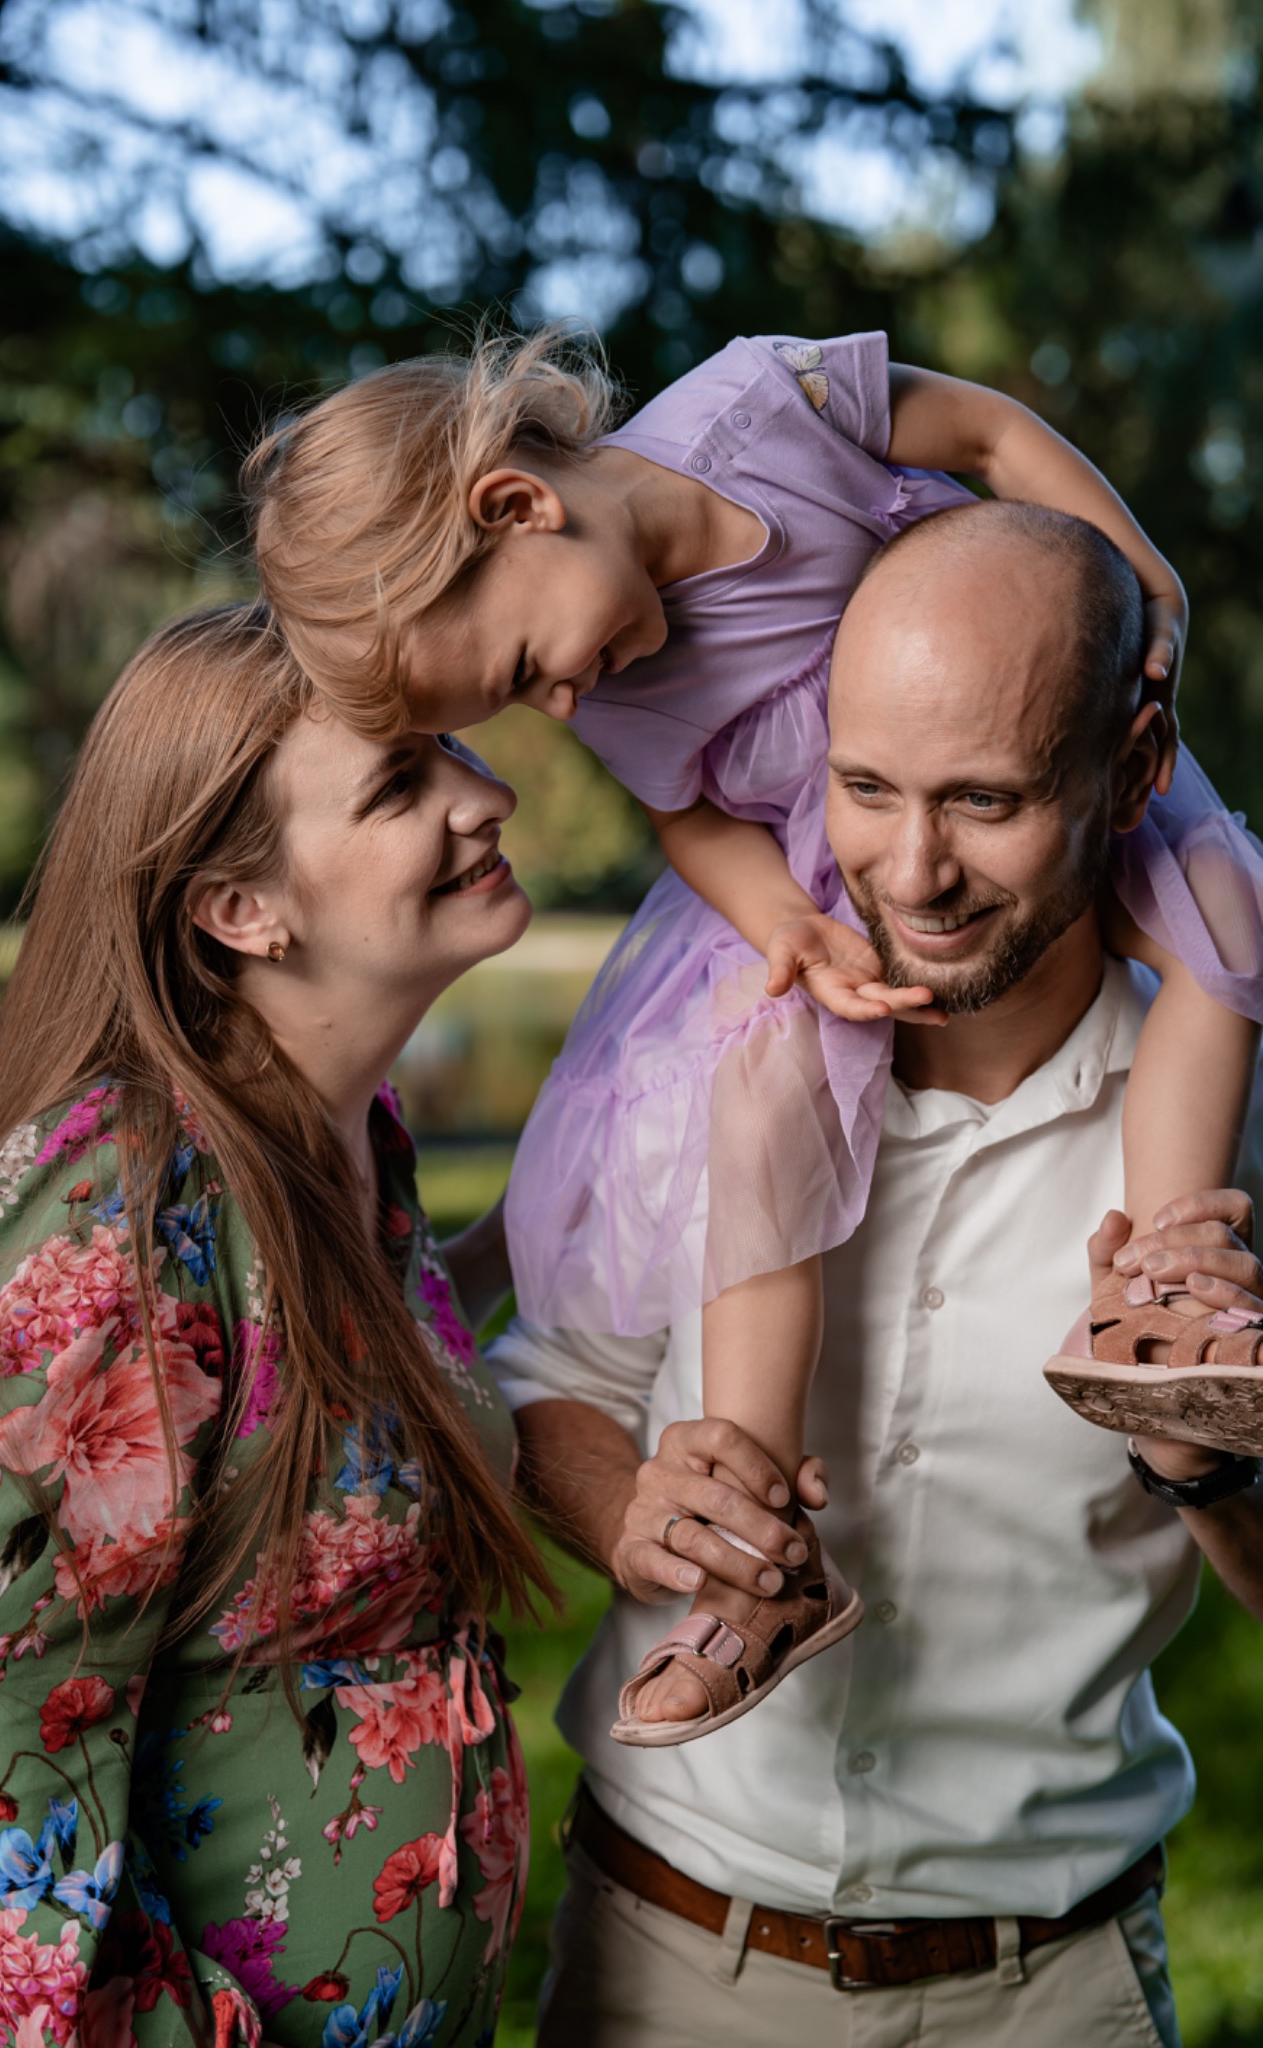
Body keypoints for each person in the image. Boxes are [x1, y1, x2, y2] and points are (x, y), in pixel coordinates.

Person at [243, 326, 1263, 1744]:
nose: (557, 704)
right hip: (797, 882)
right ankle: (760, 1530)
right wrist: (785, 924)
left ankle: (1170, 1284)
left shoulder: (757, 409)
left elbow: (976, 437)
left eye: (529, 662)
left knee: (1228, 923)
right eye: (522, 697)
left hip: (1036, 680)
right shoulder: (621, 688)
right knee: (761, 1089)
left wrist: (1136, 571)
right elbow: (691, 816)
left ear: (517, 506)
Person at [485, 500, 1263, 2048]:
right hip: (660, 1963)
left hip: (1053, 1993)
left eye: (985, 800)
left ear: (1136, 766)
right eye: (864, 788)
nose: (913, 868)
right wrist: (630, 1515)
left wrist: (1207, 1474)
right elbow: (547, 1388)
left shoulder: (1234, 1109)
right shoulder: (712, 1033)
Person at [0, 603, 545, 2048]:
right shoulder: (127, 1198)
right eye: (397, 782)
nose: (483, 790)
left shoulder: (344, 1143)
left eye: (447, 746)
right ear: (240, 909)